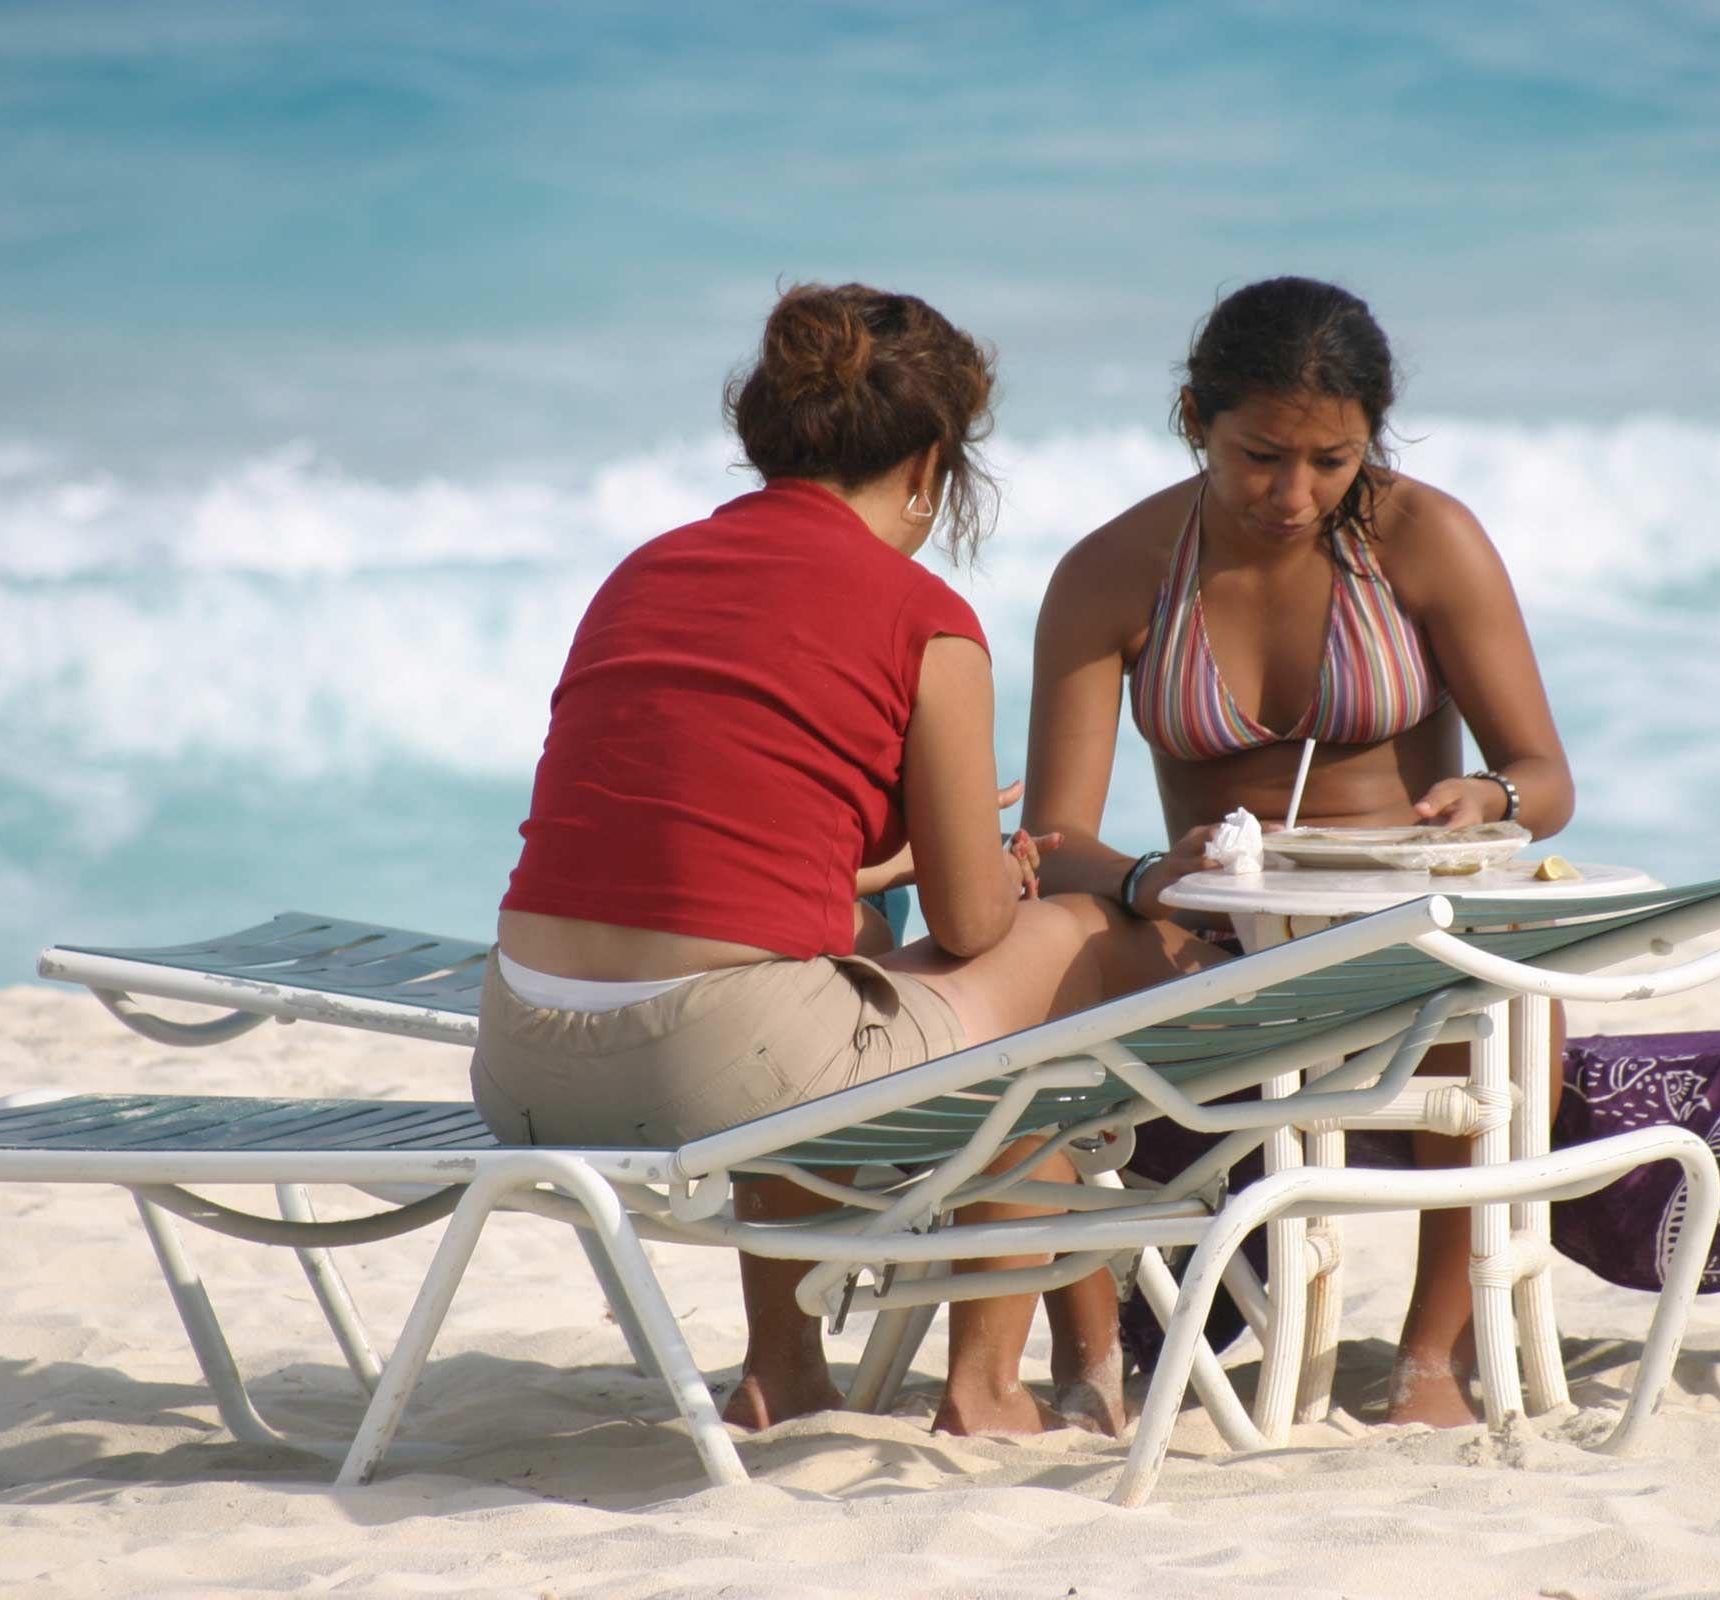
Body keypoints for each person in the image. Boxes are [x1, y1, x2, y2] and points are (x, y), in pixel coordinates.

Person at [475, 282, 1217, 1437]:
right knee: (1060, 952)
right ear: (927, 462)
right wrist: (1007, 873)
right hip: (712, 1066)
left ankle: (785, 1370)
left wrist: (876, 871)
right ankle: (988, 1384)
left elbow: (669, 841)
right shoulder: (923, 615)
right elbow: (975, 929)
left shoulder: (643, 572)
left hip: (522, 1062)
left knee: (837, 962)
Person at [1021, 276, 1575, 1426]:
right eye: (1260, 455)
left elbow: (1546, 776)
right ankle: (1086, 1361)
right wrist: (1137, 878)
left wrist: (1488, 792)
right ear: (1195, 419)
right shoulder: (1114, 571)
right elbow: (1053, 839)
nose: (1294, 492)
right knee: (1043, 976)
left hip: (1400, 921)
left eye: (1333, 460)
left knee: (1521, 1011)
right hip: (1213, 931)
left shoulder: (1424, 538)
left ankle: (1432, 1359)